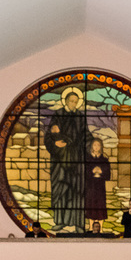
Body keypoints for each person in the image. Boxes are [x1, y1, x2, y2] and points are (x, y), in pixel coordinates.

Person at [45, 86, 88, 233]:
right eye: (71, 101)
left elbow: (85, 135)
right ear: (65, 101)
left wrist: (94, 145)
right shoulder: (58, 115)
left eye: (76, 102)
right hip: (60, 159)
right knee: (61, 189)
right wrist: (55, 143)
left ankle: (78, 224)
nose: (73, 104)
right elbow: (48, 136)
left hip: (76, 158)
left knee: (76, 191)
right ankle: (60, 221)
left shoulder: (80, 117)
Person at [84, 136, 110, 224]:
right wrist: (92, 171)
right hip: (90, 186)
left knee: (100, 205)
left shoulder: (104, 160)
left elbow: (108, 176)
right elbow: (84, 174)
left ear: (101, 147)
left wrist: (101, 172)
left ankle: (101, 228)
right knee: (90, 205)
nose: (96, 147)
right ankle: (91, 227)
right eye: (94, 145)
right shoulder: (87, 159)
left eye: (98, 145)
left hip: (100, 186)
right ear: (91, 146)